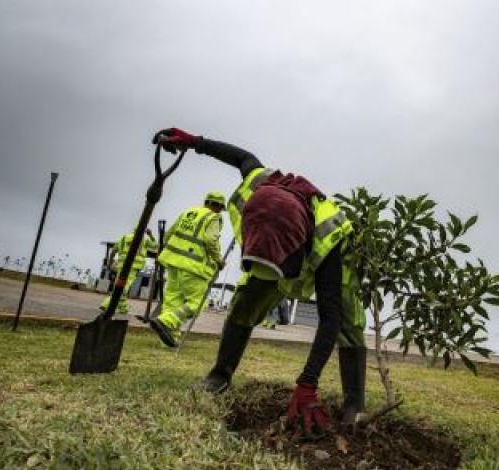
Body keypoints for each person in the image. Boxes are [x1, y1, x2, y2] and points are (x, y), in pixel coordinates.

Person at [153, 127, 368, 436]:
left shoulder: (329, 235)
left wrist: (307, 382)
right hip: (271, 245)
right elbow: (242, 157)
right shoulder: (258, 185)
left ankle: (354, 404)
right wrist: (195, 142)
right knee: (246, 300)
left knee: (347, 321)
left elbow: (329, 318)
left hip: (330, 259)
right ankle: (220, 375)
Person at [149, 192, 226, 347]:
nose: (220, 211)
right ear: (216, 205)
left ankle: (169, 340)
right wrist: (219, 260)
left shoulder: (188, 213)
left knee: (172, 301)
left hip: (173, 263)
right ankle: (166, 321)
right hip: (194, 266)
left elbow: (169, 234)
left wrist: (164, 251)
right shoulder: (213, 217)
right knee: (197, 303)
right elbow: (211, 240)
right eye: (220, 208)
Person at [100, 229, 157, 314]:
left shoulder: (125, 237)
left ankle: (123, 308)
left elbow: (114, 250)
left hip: (122, 265)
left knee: (119, 286)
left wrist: (110, 263)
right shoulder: (144, 240)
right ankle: (106, 304)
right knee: (123, 288)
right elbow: (155, 246)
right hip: (133, 267)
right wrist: (151, 235)